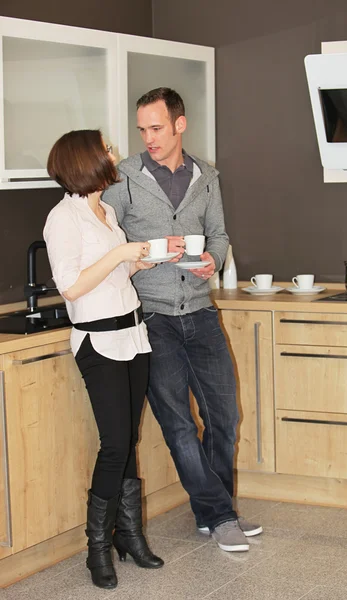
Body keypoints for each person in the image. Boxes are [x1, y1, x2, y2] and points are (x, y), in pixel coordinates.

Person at [103, 88, 262, 552]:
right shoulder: (125, 177)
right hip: (151, 315)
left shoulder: (207, 177)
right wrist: (146, 254)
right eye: (142, 130)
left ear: (179, 125)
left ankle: (214, 513)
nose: (148, 138)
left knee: (224, 416)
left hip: (200, 308)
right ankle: (220, 515)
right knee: (177, 424)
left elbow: (218, 233)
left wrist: (213, 259)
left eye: (156, 128)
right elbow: (107, 237)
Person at [43, 130, 164, 591]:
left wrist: (137, 263)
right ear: (87, 161)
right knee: (114, 444)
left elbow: (110, 273)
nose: (113, 153)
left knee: (128, 439)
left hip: (132, 333)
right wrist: (119, 252)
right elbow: (71, 287)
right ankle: (98, 548)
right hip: (98, 342)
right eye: (106, 147)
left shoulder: (106, 210)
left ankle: (129, 536)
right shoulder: (62, 219)